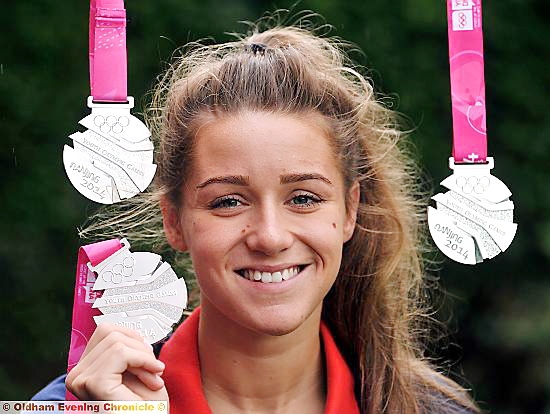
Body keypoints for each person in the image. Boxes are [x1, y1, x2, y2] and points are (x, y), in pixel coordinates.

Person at [33, 20, 479, 414]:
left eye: (303, 198)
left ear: (349, 210)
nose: (269, 236)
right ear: (174, 220)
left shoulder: (431, 409)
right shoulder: (69, 409)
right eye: (228, 201)